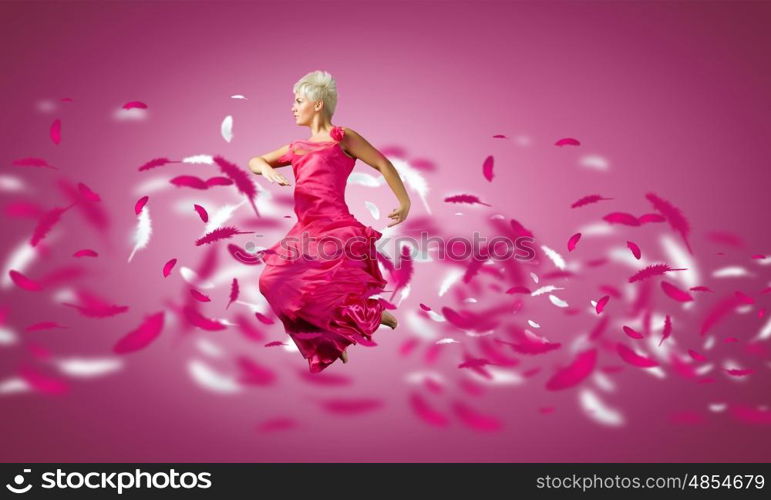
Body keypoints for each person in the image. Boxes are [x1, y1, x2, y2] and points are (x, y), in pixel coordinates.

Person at [247, 70, 411, 373]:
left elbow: (382, 163)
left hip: (335, 225)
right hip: (306, 230)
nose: (293, 107)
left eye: (298, 101)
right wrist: (266, 170)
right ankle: (332, 339)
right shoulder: (296, 147)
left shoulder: (342, 137)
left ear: (317, 103)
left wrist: (405, 201)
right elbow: (255, 160)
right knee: (272, 283)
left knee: (322, 288)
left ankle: (367, 315)